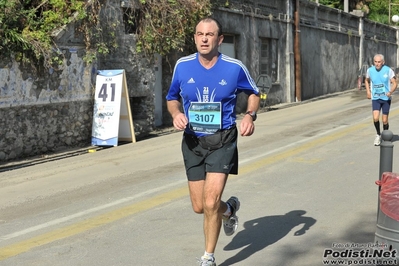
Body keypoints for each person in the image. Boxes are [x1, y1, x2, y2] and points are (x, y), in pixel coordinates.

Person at [166, 17, 260, 266]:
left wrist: (250, 115)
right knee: (200, 207)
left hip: (223, 139)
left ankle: (208, 256)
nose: (204, 38)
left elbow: (253, 93)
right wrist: (176, 114)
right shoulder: (182, 66)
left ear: (220, 39)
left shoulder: (234, 67)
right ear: (195, 38)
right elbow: (172, 97)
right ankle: (228, 210)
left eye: (210, 34)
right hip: (193, 142)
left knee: (210, 202)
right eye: (199, 34)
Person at [365, 54, 397, 146]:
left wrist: (390, 92)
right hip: (375, 98)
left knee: (385, 120)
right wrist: (368, 91)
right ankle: (378, 134)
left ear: (383, 62)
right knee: (375, 117)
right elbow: (366, 80)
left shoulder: (388, 70)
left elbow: (395, 83)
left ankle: (385, 135)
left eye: (379, 62)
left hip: (386, 98)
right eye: (375, 62)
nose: (377, 64)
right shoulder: (370, 70)